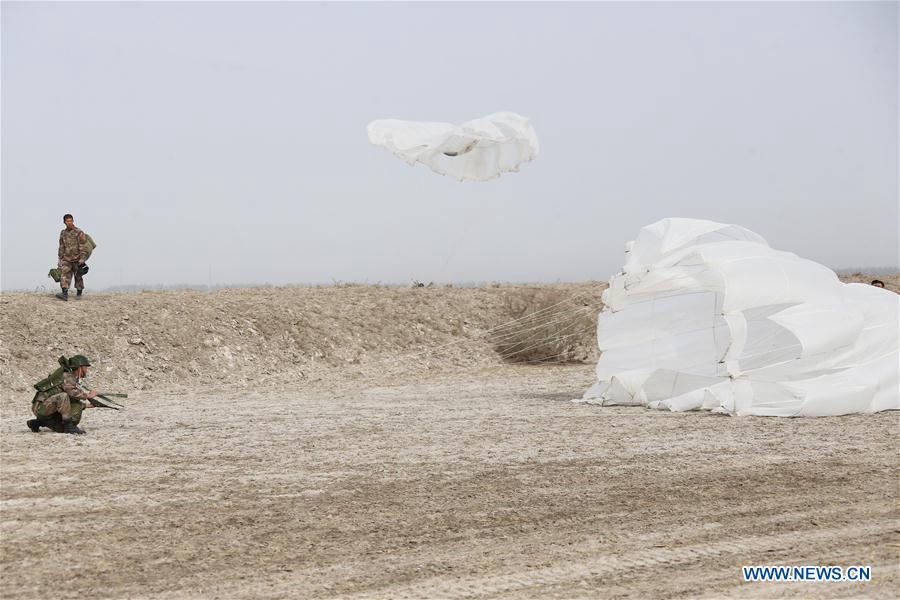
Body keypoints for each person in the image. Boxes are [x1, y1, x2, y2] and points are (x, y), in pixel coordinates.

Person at [28, 355, 98, 434]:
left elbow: (70, 400)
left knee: (61, 429)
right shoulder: (68, 376)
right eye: (85, 367)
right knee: (63, 396)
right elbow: (72, 392)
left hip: (43, 408)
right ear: (80, 367)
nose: (86, 370)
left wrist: (86, 405)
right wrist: (88, 395)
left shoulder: (68, 376)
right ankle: (69, 426)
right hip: (41, 408)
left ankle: (37, 422)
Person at [57, 213, 87, 301]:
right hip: (66, 258)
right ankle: (64, 293)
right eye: (67, 221)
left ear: (73, 221)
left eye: (71, 221)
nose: (69, 222)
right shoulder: (63, 233)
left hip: (77, 258)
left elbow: (83, 245)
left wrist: (82, 258)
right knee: (64, 275)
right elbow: (61, 246)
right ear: (64, 222)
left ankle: (79, 292)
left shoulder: (79, 232)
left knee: (78, 276)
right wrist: (60, 258)